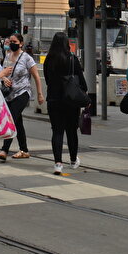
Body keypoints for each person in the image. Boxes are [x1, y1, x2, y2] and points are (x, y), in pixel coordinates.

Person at [0, 32, 43, 161]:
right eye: (10, 41)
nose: (11, 44)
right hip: (9, 94)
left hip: (23, 93)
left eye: (14, 42)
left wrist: (39, 94)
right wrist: (4, 78)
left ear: (21, 43)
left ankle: (4, 150)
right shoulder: (7, 55)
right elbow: (3, 71)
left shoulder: (27, 58)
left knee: (11, 118)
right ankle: (24, 150)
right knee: (18, 122)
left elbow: (36, 77)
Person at [43, 31, 84, 175]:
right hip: (71, 100)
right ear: (67, 43)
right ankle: (73, 160)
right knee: (72, 131)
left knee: (57, 131)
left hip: (53, 100)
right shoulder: (73, 59)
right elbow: (82, 82)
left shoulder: (49, 59)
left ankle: (58, 164)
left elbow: (47, 80)